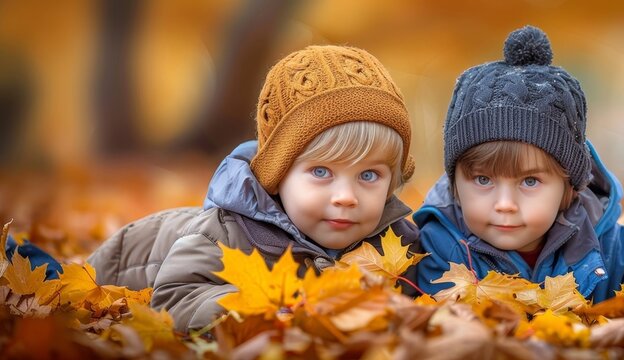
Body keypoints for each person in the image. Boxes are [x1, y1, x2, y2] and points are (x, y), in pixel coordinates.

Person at [88, 45, 419, 331]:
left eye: (369, 176)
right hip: (117, 263)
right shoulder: (224, 234)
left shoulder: (398, 243)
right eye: (321, 171)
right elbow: (177, 297)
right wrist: (263, 310)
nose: (346, 197)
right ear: (278, 175)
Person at [414, 26, 624, 302]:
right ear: (455, 185)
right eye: (483, 180)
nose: (505, 204)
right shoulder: (441, 248)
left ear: (568, 186)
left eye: (529, 181)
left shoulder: (600, 241)